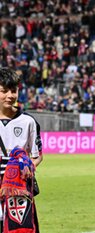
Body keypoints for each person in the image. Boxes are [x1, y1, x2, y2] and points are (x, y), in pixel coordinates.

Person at [0, 67, 43, 232]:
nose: (10, 96)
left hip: (19, 189)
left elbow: (37, 156)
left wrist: (25, 167)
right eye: (4, 91)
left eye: (13, 91)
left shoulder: (28, 122)